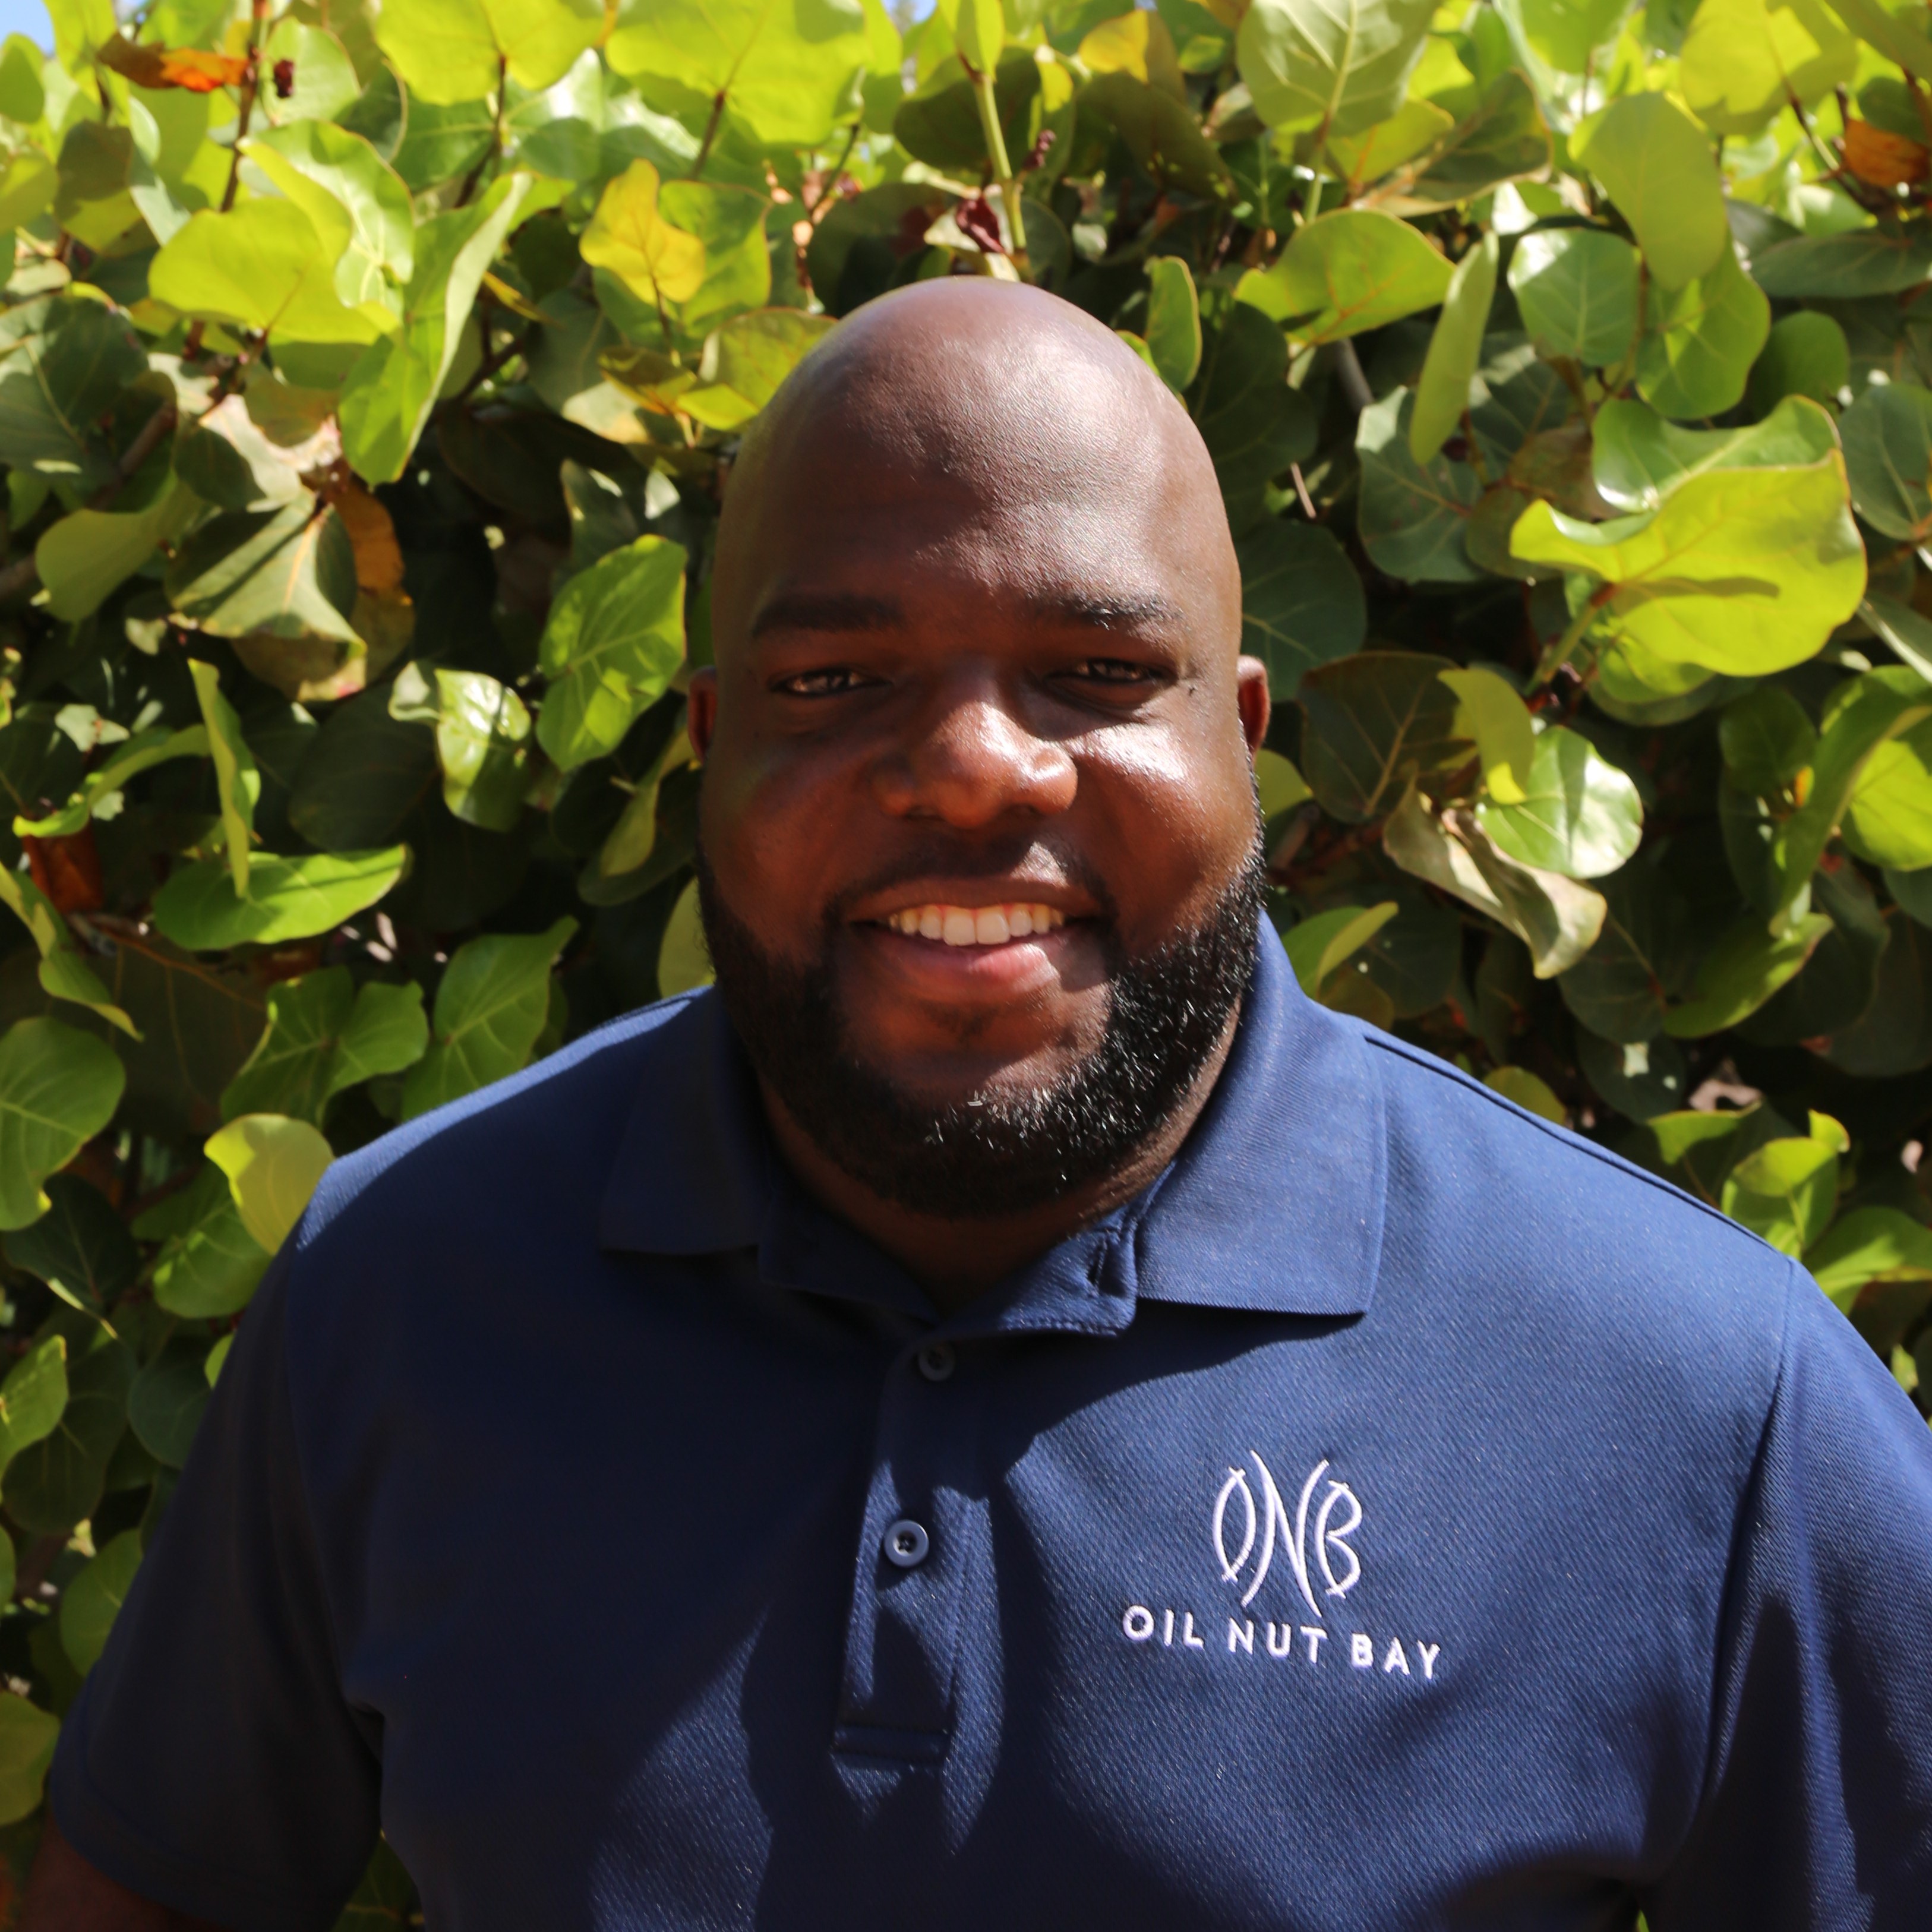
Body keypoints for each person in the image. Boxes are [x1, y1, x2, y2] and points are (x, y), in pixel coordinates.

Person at [24, 279, 1932, 1932]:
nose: (966, 767)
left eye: (1096, 673)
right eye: (839, 673)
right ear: (708, 746)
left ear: (1243, 741)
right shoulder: (410, 1287)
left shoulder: (1700, 1403)